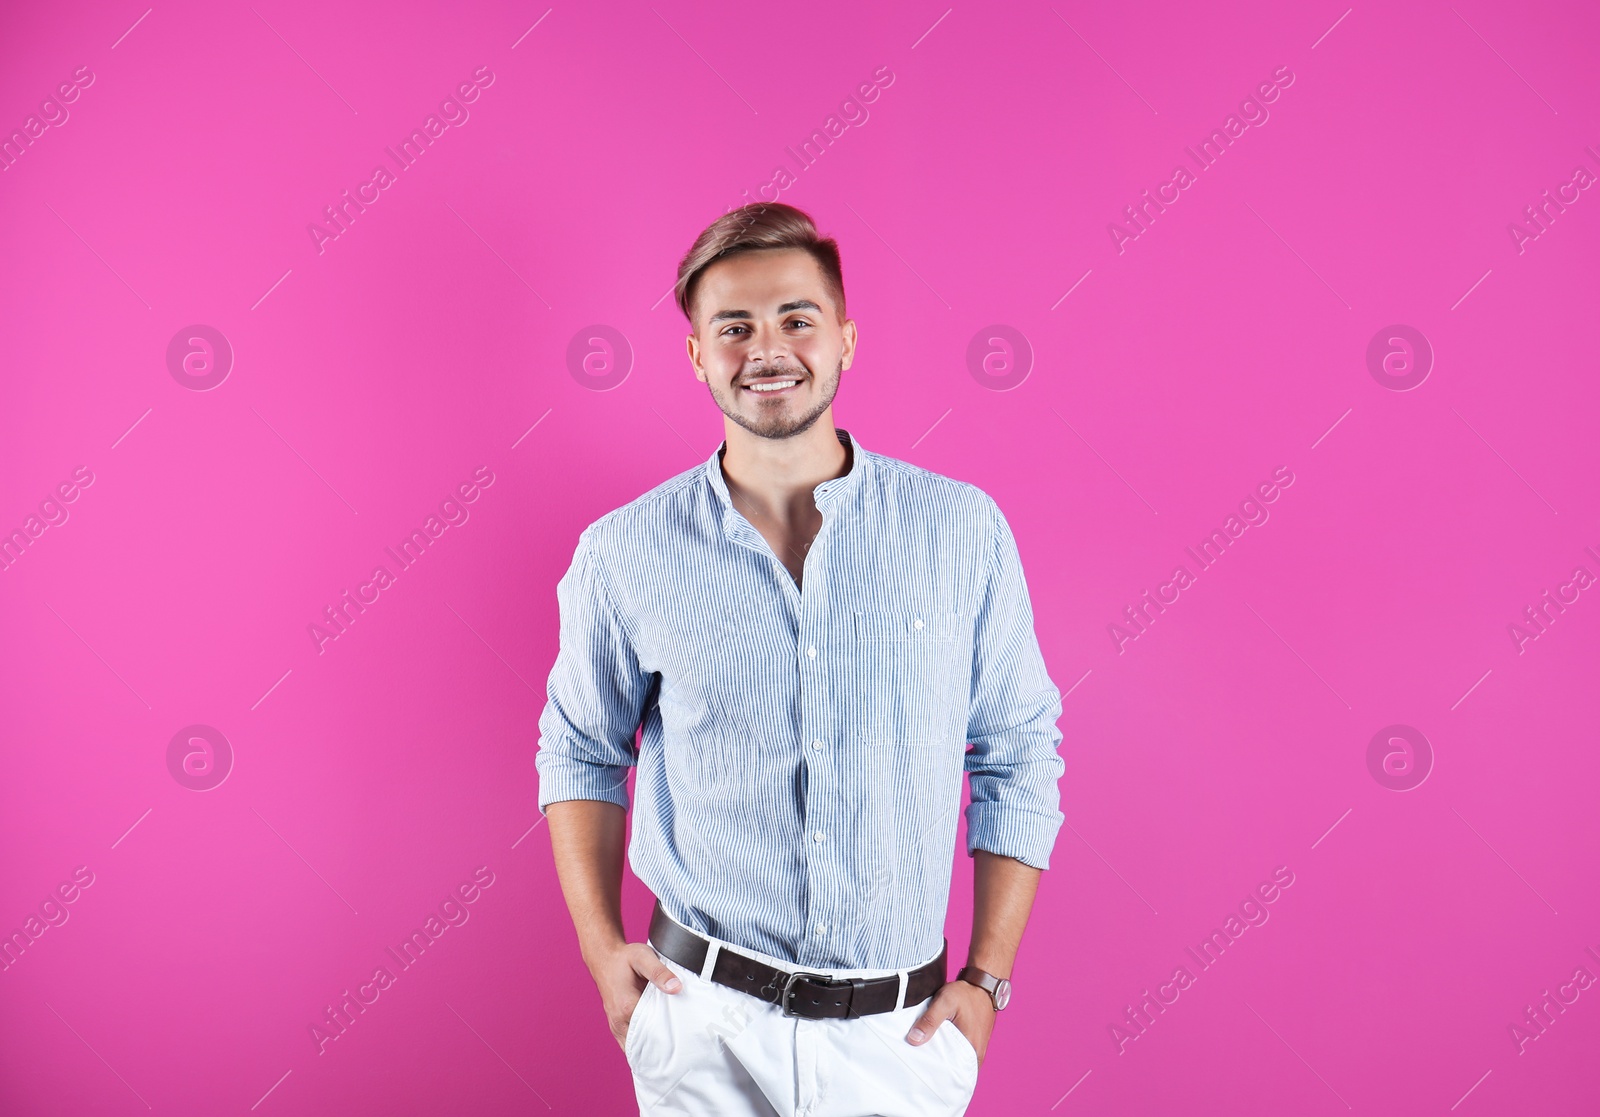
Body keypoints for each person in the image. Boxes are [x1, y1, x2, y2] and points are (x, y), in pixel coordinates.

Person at [536, 202, 1065, 1116]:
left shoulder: (960, 532)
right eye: (733, 327)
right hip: (700, 1021)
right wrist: (598, 948)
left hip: (898, 1038)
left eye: (796, 318)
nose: (766, 348)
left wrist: (989, 977)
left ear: (846, 340)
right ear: (697, 354)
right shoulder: (624, 553)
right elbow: (582, 750)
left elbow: (1018, 752)